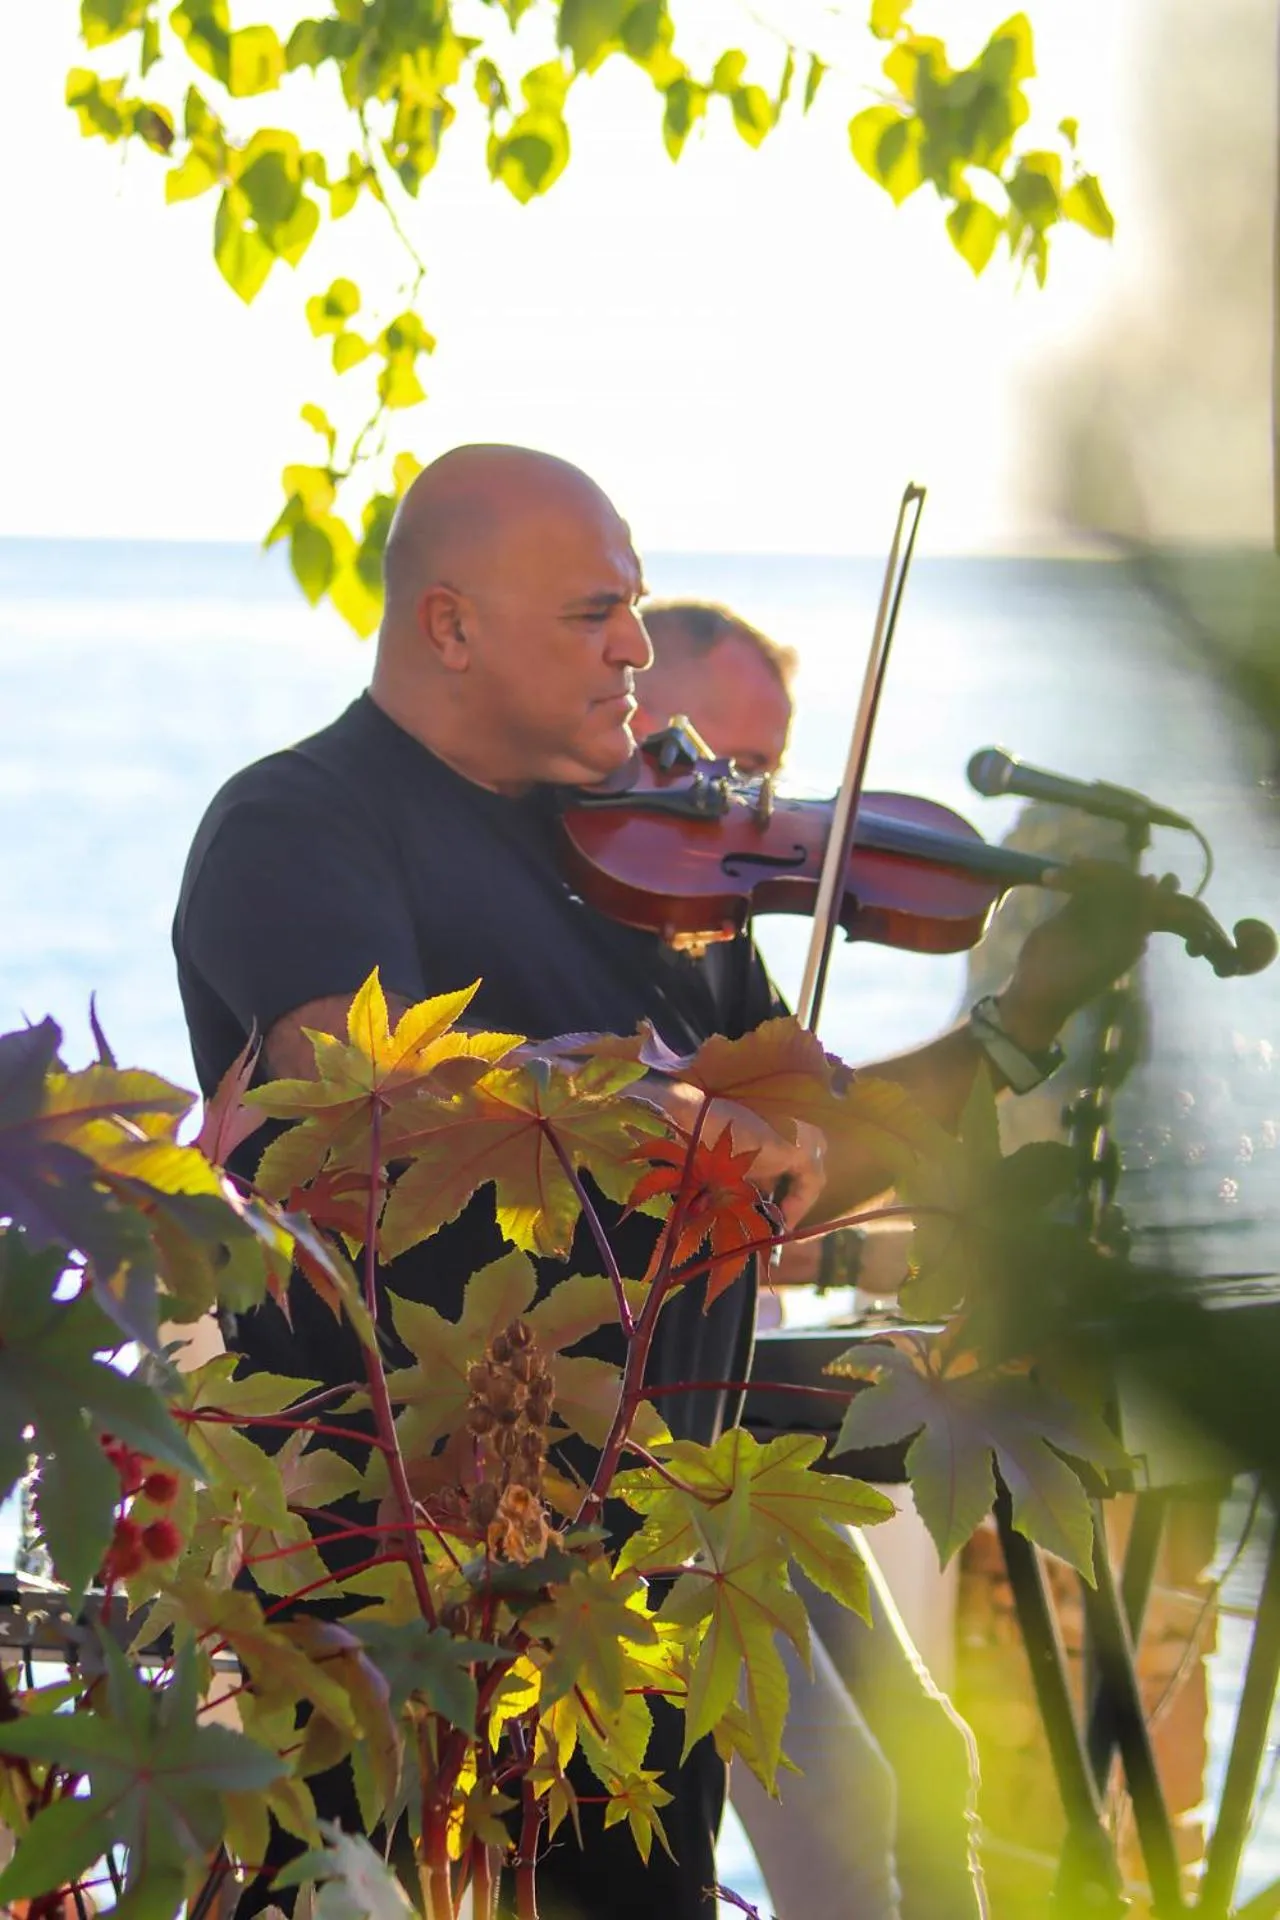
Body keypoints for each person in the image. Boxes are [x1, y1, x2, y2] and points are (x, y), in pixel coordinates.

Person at [173, 444, 1173, 1920]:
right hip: (391, 1601)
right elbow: (362, 1093)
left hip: (641, 1586)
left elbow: (802, 1160)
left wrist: (1011, 1031)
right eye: (594, 614)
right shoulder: (297, 824)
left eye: (637, 606)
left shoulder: (654, 875)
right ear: (448, 626)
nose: (639, 648)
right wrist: (655, 1109)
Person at [627, 596, 987, 1920]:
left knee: (933, 1755)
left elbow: (804, 1162)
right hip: (642, 1471)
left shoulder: (707, 933)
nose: (758, 809)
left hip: (734, 1433)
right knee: (842, 1795)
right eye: (733, 764)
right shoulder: (602, 919)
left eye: (771, 776)